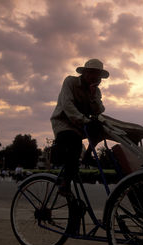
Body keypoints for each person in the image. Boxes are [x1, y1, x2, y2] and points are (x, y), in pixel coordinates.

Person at [50, 58, 109, 195]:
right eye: (92, 73)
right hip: (63, 122)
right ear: (85, 73)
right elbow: (67, 105)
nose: (95, 77)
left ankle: (87, 156)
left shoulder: (95, 91)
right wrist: (85, 120)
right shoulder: (70, 82)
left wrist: (93, 95)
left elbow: (99, 110)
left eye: (97, 75)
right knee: (73, 142)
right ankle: (65, 183)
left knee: (99, 130)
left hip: (81, 126)